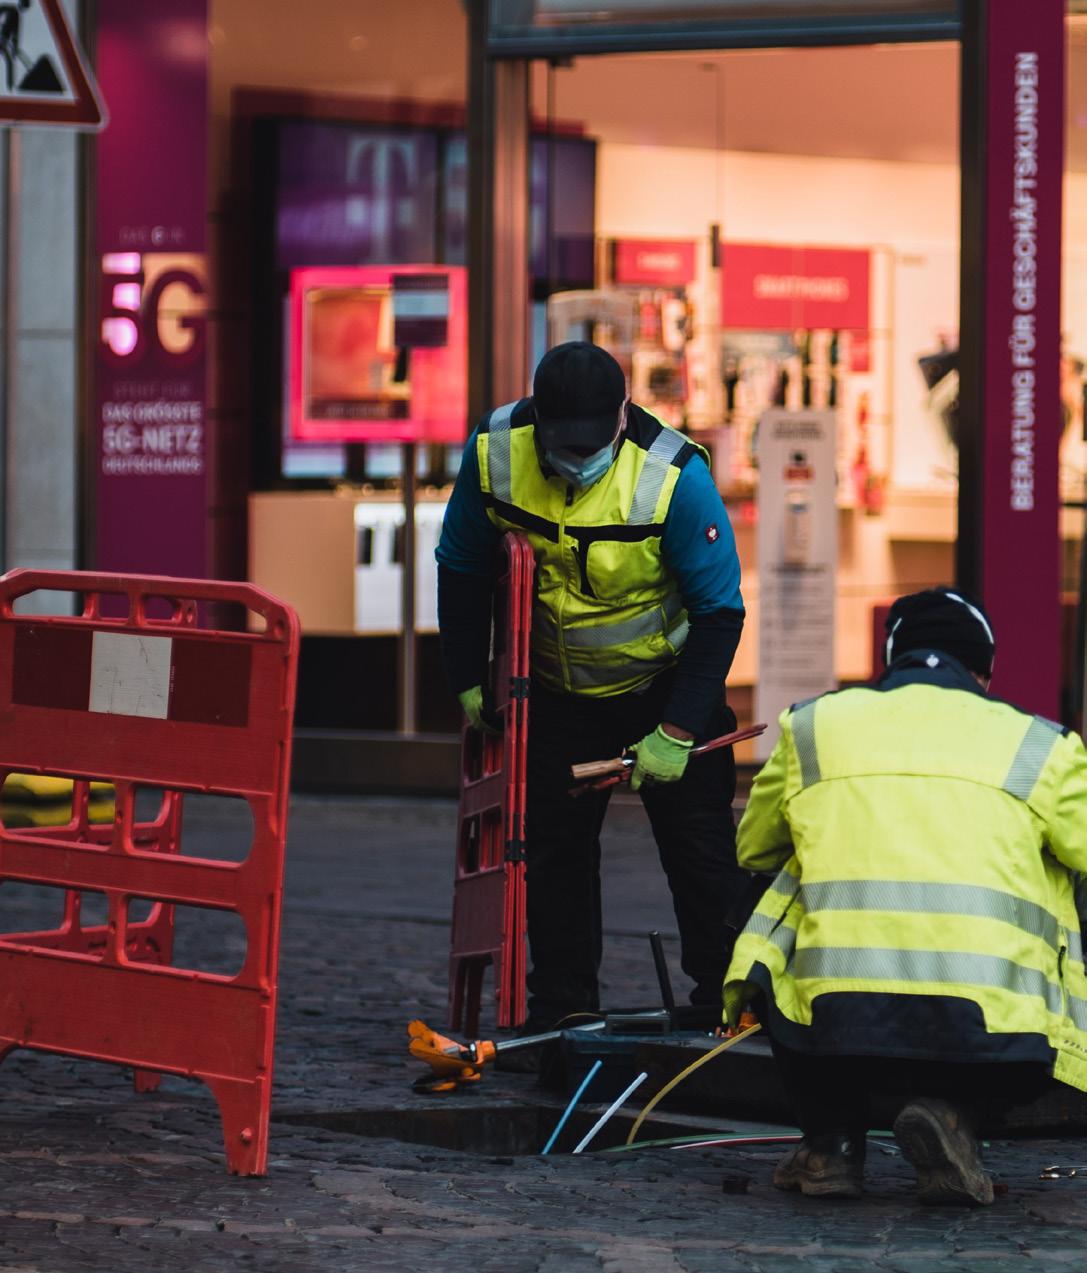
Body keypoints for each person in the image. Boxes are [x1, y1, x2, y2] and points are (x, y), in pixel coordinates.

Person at [723, 587, 1087, 1206]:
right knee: (1061, 872)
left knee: (782, 881)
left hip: (833, 1024)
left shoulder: (812, 725)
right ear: (983, 672)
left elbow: (755, 849)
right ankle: (954, 1114)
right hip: (995, 1032)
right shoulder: (1043, 745)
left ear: (890, 659)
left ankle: (832, 1143)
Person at [436, 341, 747, 1032]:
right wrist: (466, 677)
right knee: (555, 859)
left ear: (622, 416)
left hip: (663, 685)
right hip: (558, 694)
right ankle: (564, 1013)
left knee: (700, 853)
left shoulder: (674, 476)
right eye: (564, 442)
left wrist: (677, 730)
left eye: (593, 441)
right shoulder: (495, 452)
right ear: (537, 419)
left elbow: (719, 613)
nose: (578, 456)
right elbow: (460, 566)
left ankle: (725, 1005)